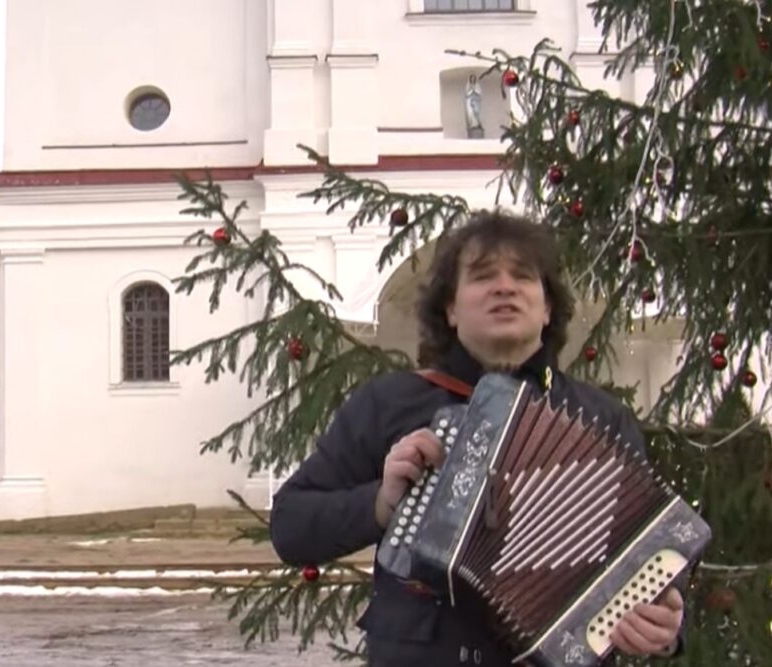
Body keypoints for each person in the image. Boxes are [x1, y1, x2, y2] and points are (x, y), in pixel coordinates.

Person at [269, 211, 685, 666]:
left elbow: (643, 558)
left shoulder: (602, 419)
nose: (504, 287)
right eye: (483, 277)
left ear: (547, 308)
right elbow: (291, 526)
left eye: (522, 277)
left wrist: (661, 626)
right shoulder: (390, 404)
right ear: (450, 308)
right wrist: (380, 505)